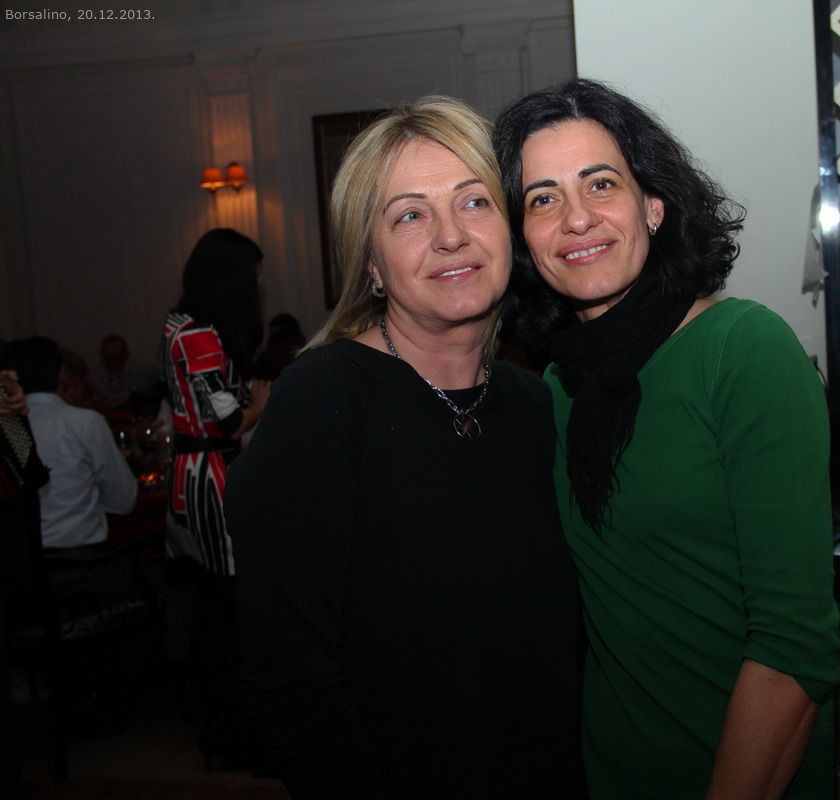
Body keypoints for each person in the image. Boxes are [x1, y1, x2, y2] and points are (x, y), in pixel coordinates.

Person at [225, 96, 582, 798]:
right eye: (410, 216)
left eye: (474, 202)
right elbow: (292, 684)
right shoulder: (321, 402)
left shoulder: (537, 404)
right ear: (372, 264)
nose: (451, 236)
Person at [494, 78, 840, 799]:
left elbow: (795, 650)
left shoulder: (743, 351)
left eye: (601, 184)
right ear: (523, 237)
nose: (577, 219)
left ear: (653, 205)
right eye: (543, 199)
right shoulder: (554, 390)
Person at [162, 228, 269, 768]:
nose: (257, 288)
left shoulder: (176, 325)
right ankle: (231, 733)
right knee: (229, 612)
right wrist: (265, 401)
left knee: (211, 609)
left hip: (190, 475)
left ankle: (217, 725)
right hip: (213, 478)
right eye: (252, 278)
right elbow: (229, 420)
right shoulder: (200, 334)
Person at [0, 337, 136, 549]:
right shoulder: (84, 422)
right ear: (61, 373)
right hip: (85, 556)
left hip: (22, 558)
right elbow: (123, 499)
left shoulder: (13, 425)